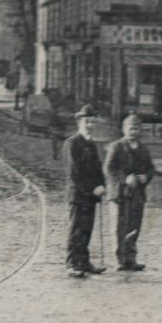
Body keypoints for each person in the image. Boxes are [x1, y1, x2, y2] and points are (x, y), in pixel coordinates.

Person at [104, 111, 155, 271]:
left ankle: (131, 258)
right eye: (131, 128)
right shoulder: (116, 147)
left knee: (134, 225)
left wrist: (145, 177)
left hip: (137, 193)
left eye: (137, 129)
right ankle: (119, 258)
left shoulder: (143, 149)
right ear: (124, 129)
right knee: (119, 226)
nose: (134, 132)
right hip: (119, 193)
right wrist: (125, 178)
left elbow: (151, 168)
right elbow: (109, 168)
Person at [64, 107, 107, 277]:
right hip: (78, 195)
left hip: (92, 196)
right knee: (76, 230)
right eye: (86, 121)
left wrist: (102, 185)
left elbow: (98, 169)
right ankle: (72, 263)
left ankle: (84, 261)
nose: (90, 125)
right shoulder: (71, 143)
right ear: (79, 122)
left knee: (87, 229)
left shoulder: (91, 143)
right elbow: (74, 173)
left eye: (92, 122)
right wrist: (92, 188)